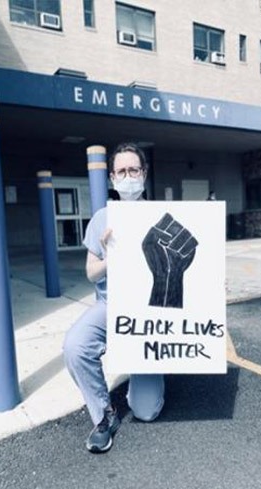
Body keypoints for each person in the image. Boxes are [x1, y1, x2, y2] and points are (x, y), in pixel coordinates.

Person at [62, 143, 165, 453]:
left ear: (144, 175)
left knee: (146, 411)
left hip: (152, 309)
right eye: (121, 171)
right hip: (112, 305)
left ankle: (153, 366)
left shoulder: (163, 214)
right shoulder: (102, 219)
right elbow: (91, 274)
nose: (128, 176)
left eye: (134, 170)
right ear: (111, 178)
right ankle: (104, 416)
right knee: (76, 346)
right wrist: (109, 258)